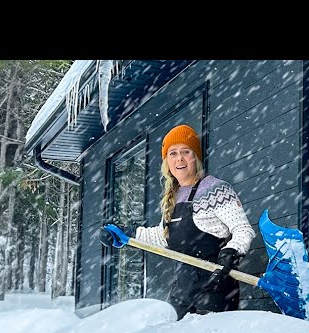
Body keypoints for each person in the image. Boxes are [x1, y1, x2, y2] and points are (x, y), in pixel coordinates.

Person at [99, 124, 256, 320]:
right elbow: (162, 236)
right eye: (172, 153)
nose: (179, 158)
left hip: (215, 288)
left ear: (195, 157)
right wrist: (126, 233)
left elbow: (243, 230)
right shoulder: (173, 196)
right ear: (167, 162)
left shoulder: (216, 190)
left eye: (185, 152)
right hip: (182, 290)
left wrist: (230, 253)